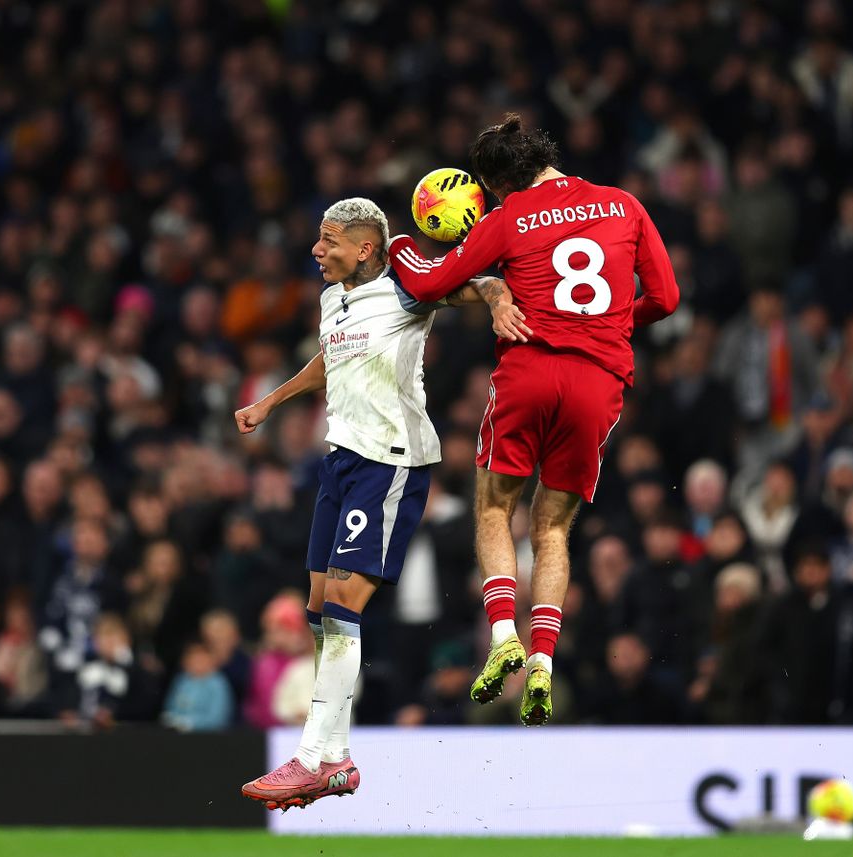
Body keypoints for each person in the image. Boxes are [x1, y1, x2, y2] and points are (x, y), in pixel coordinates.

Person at [388, 114, 679, 726]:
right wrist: (610, 328)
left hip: (530, 369)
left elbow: (428, 285)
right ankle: (544, 661)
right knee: (553, 528)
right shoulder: (623, 205)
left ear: (495, 185)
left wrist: (399, 246)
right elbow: (666, 299)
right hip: (598, 383)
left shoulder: (509, 217)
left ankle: (501, 638)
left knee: (496, 507)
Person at [233, 198, 517, 809]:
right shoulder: (330, 299)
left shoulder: (406, 289)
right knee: (316, 607)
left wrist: (496, 300)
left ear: (366, 247)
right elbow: (330, 360)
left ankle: (313, 757)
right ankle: (335, 759)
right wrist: (272, 402)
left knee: (341, 605)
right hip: (340, 460)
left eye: (328, 240)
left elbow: (478, 284)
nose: (316, 249)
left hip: (389, 461)